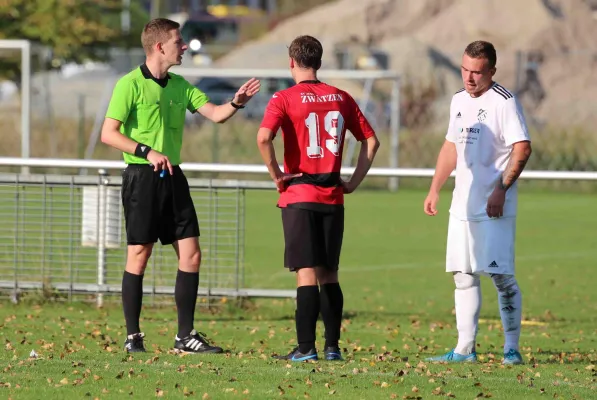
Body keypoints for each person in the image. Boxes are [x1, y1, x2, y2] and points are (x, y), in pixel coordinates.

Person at [100, 18, 261, 354]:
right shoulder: (129, 84)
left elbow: (215, 114)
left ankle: (185, 336)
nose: (185, 46)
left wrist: (236, 103)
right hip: (141, 178)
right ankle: (133, 338)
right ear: (160, 46)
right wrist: (146, 151)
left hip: (174, 179)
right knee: (139, 256)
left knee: (191, 254)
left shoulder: (181, 85)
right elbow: (109, 134)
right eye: (179, 41)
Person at [257, 35, 380, 362]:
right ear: (320, 62)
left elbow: (263, 138)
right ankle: (332, 347)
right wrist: (353, 181)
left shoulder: (283, 98)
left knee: (306, 273)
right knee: (330, 273)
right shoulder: (341, 97)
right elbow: (371, 142)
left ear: (291, 62)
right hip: (332, 197)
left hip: (300, 195)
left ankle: (305, 347)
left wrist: (277, 175)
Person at [423, 40, 532, 365]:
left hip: (493, 206)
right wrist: (435, 188)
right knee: (462, 274)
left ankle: (511, 348)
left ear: (492, 71)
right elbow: (450, 147)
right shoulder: (458, 99)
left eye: (477, 72)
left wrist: (501, 189)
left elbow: (522, 148)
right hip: (462, 205)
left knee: (501, 276)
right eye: (465, 69)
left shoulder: (504, 102)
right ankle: (465, 349)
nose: (469, 78)